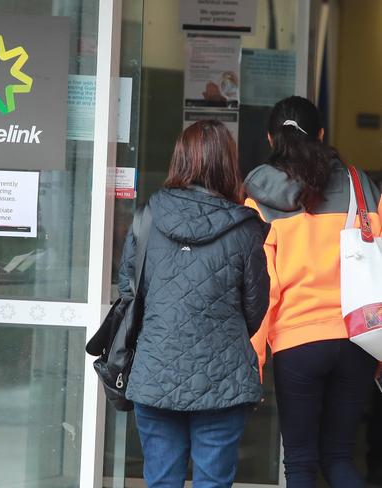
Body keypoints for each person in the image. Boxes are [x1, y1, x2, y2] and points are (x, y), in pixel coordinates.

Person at [119, 119, 270, 487]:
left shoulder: (148, 217)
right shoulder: (246, 228)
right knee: (213, 482)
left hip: (155, 372)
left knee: (161, 480)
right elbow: (255, 306)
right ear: (227, 164)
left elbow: (129, 291)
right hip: (223, 379)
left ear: (180, 159)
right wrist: (222, 331)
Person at [245, 95, 382, 487]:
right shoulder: (362, 187)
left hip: (297, 343)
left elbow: (262, 288)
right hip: (358, 337)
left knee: (301, 463)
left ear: (271, 140)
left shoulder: (260, 200)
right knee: (339, 456)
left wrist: (254, 359)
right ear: (321, 135)